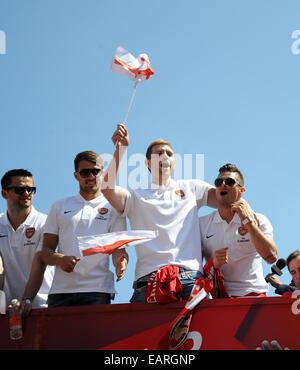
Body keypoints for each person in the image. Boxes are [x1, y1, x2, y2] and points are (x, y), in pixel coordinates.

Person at [101, 124, 218, 303]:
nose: (164, 156)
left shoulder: (192, 188)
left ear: (173, 162)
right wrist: (121, 149)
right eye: (158, 153)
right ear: (147, 163)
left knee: (200, 331)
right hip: (148, 279)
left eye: (169, 154)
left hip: (189, 277)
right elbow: (107, 189)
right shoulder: (136, 196)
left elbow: (225, 198)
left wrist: (244, 207)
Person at [39, 150, 128, 307]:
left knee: (96, 333)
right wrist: (61, 259)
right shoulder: (59, 206)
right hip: (60, 291)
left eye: (96, 171)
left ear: (102, 173)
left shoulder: (113, 207)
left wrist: (121, 262)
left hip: (98, 290)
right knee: (59, 333)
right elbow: (45, 252)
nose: (91, 176)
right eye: (85, 172)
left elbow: (118, 249)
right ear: (76, 175)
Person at [199, 163, 278, 297]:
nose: (223, 184)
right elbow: (194, 270)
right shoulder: (202, 224)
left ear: (241, 191)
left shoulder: (260, 220)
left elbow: (271, 257)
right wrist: (213, 264)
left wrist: (248, 221)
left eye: (230, 182)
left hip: (253, 296)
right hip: (218, 300)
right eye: (219, 182)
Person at [0, 169, 53, 315]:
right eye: (20, 189)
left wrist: (27, 300)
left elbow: (41, 262)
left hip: (41, 308)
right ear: (4, 193)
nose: (26, 193)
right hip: (8, 312)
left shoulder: (45, 223)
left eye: (30, 189)